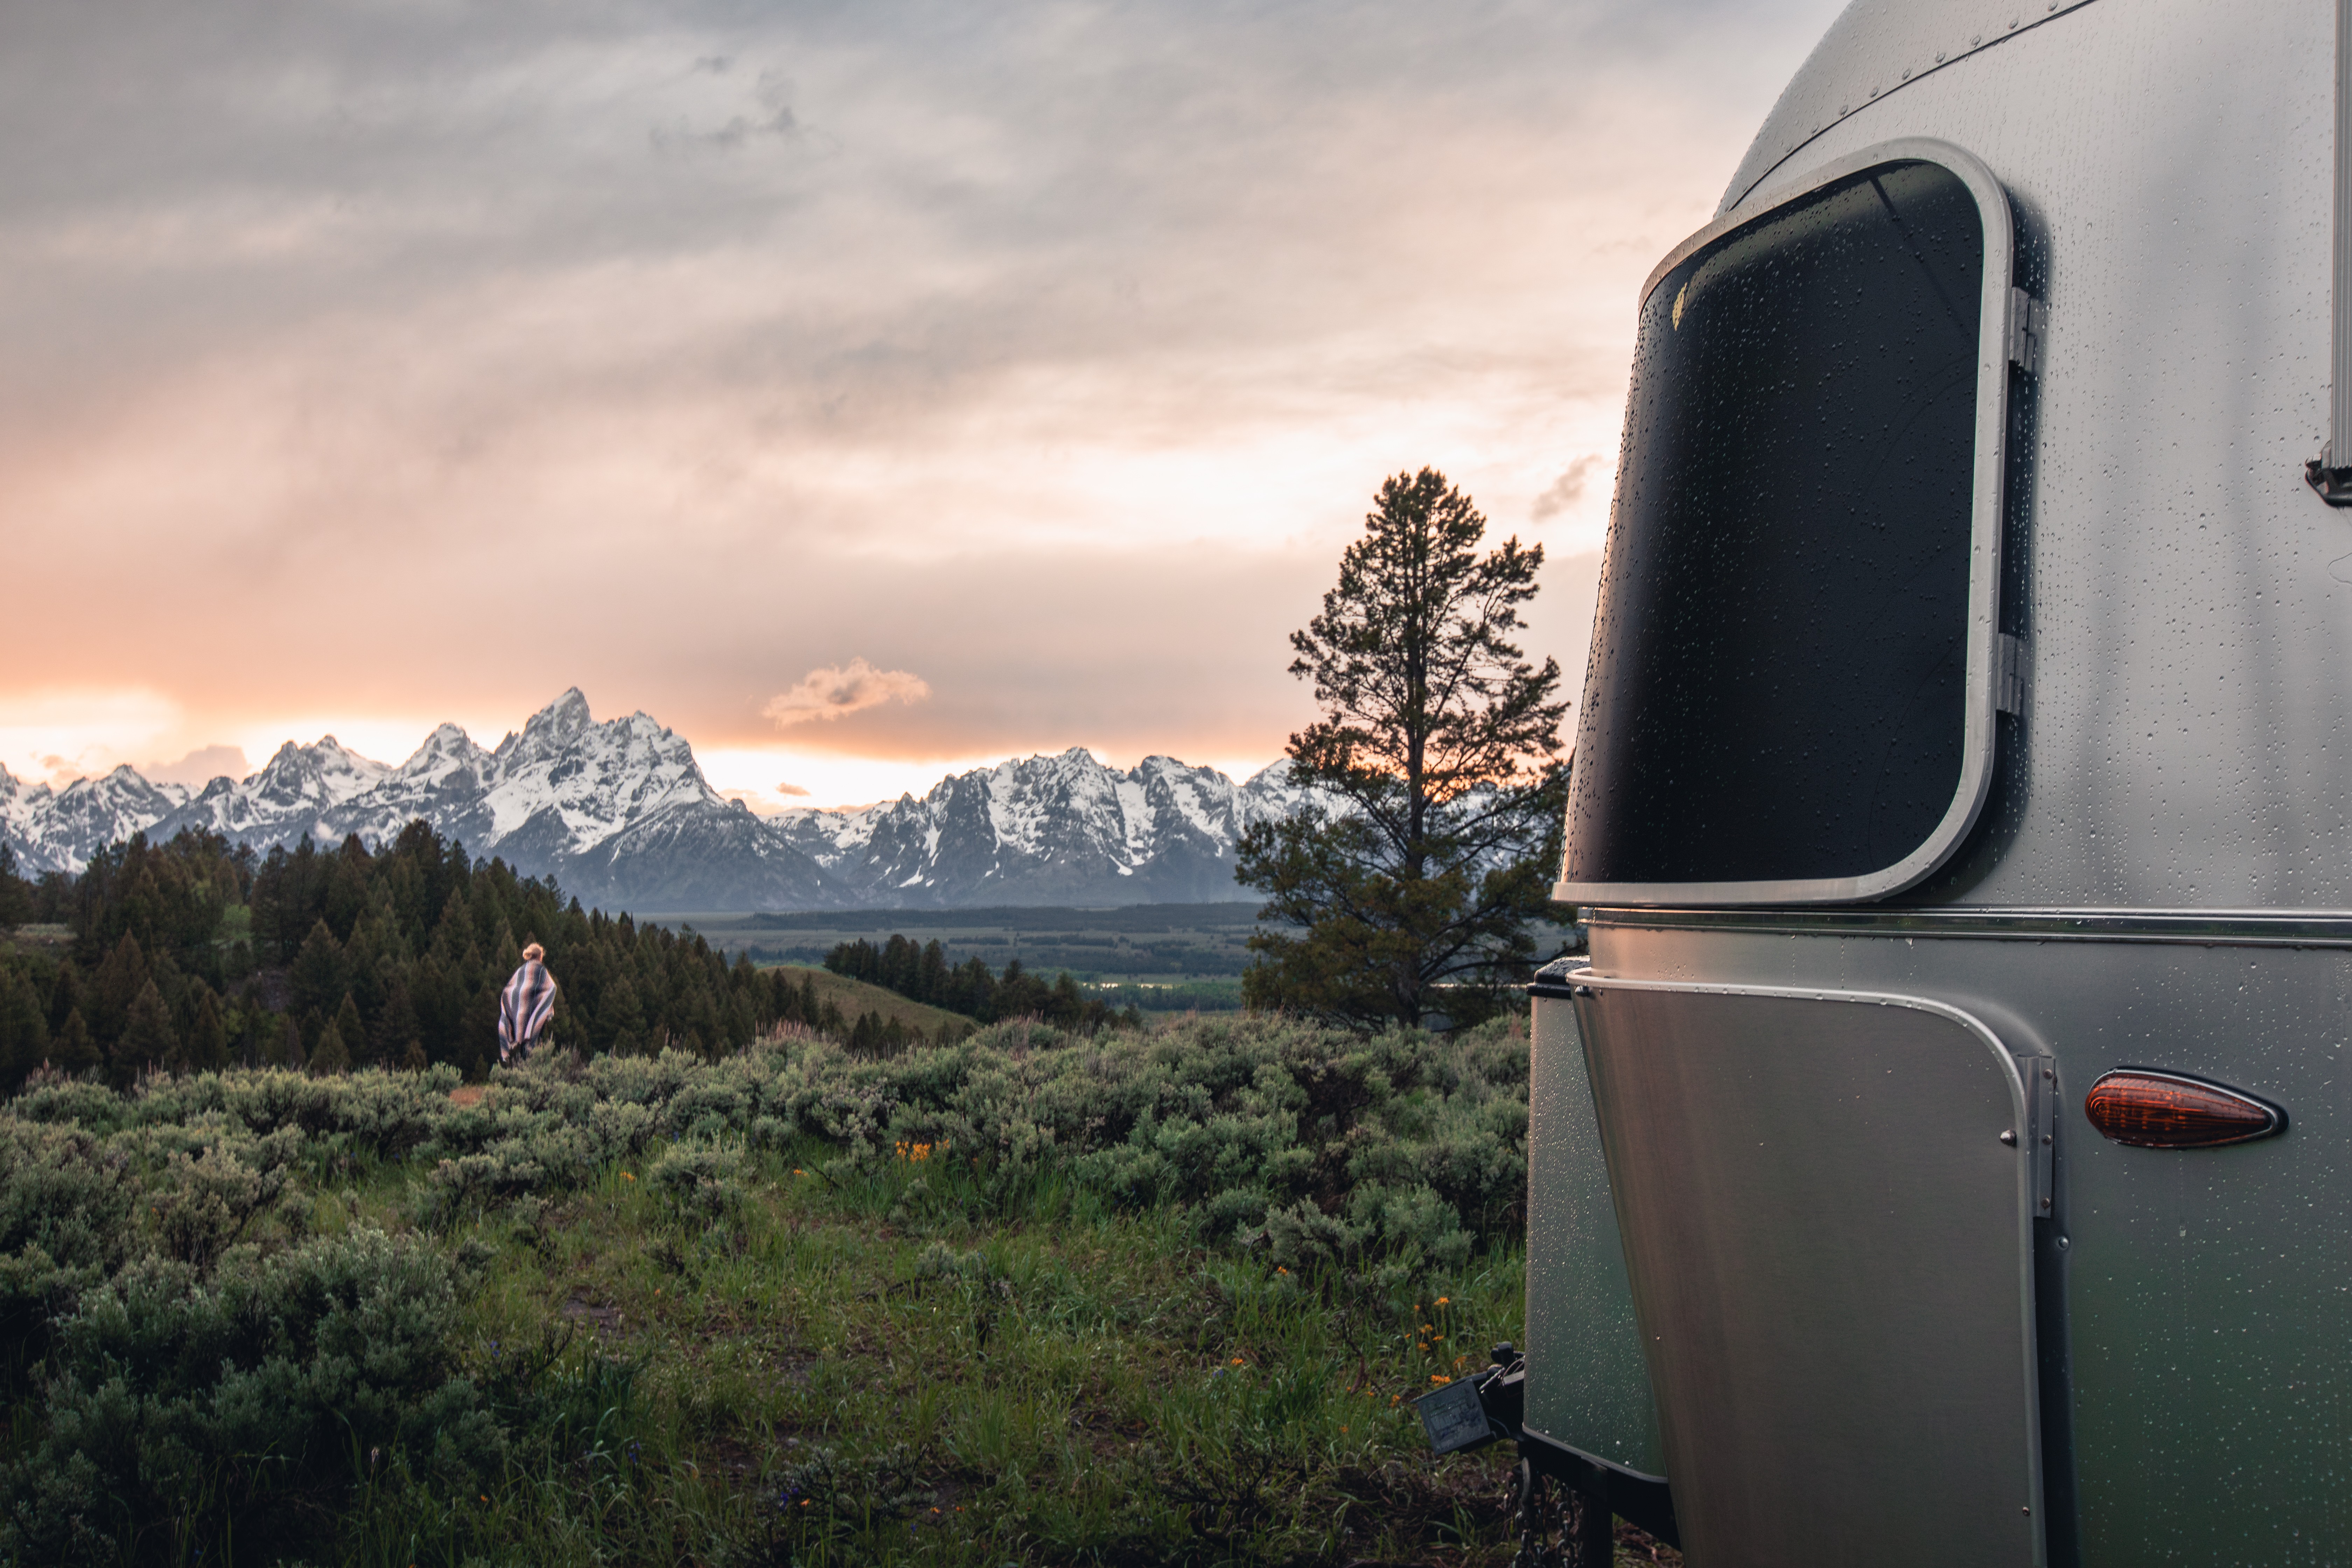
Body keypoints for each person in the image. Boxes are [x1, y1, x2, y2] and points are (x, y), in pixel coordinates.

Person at [498, 941, 558, 1065]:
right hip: (533, 1017)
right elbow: (552, 988)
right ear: (540, 956)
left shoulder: (520, 971)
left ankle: (516, 1071)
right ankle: (530, 1072)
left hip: (517, 1016)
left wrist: (513, 1007)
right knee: (532, 1044)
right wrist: (545, 1008)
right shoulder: (542, 972)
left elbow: (508, 991)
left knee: (518, 1048)